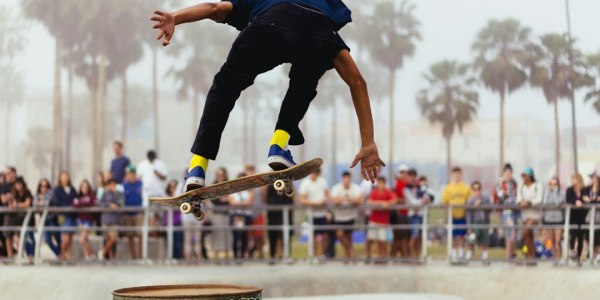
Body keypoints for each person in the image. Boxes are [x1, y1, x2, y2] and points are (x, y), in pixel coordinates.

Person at [150, 0, 384, 194]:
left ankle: (197, 169)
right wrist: (368, 143)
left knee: (225, 87)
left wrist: (175, 17)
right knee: (305, 80)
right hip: (319, 32)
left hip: (270, 22)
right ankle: (278, 146)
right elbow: (358, 83)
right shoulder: (322, 13)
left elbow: (215, 9)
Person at [441, 167, 472, 262]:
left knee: (462, 235)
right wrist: (447, 213)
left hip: (462, 215)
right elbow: (444, 201)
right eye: (455, 173)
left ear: (461, 174)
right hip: (452, 216)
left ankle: (461, 253)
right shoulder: (448, 187)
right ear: (452, 175)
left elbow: (469, 201)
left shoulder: (466, 187)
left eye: (458, 173)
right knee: (453, 235)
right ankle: (454, 254)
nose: (457, 175)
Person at [331, 171, 362, 259]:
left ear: (350, 179)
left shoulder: (356, 187)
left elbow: (359, 200)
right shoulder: (336, 188)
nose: (347, 180)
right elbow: (335, 201)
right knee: (340, 235)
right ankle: (351, 252)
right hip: (339, 217)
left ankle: (348, 256)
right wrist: (349, 199)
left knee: (349, 237)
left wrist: (346, 199)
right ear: (342, 179)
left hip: (351, 216)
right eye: (345, 178)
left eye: (348, 178)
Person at [299, 169, 330, 259]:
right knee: (313, 236)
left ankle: (323, 255)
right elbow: (302, 199)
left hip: (322, 213)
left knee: (325, 236)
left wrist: (325, 201)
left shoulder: (323, 181)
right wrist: (316, 203)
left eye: (316, 172)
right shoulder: (305, 183)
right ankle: (314, 255)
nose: (313, 174)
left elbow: (327, 194)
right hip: (311, 214)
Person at [137, 150, 168, 234]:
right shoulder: (142, 164)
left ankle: (156, 233)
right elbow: (138, 178)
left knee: (158, 215)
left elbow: (165, 177)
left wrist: (157, 173)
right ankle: (150, 233)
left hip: (158, 193)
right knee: (148, 214)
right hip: (146, 194)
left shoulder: (160, 163)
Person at [517, 166, 544, 262]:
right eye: (522, 176)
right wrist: (521, 202)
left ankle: (532, 255)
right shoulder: (521, 186)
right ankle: (531, 256)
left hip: (535, 214)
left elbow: (539, 199)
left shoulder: (538, 185)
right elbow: (518, 198)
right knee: (528, 236)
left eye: (525, 175)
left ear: (530, 176)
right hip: (525, 214)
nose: (524, 178)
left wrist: (528, 202)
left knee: (525, 231)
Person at [50, 171, 78, 260]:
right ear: (60, 178)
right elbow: (58, 202)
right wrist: (69, 204)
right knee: (65, 239)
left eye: (66, 176)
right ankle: (62, 255)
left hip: (72, 216)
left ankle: (69, 257)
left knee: (70, 239)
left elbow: (76, 201)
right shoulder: (57, 190)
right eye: (63, 176)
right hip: (63, 217)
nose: (65, 178)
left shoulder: (72, 189)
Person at [405, 172, 434, 259]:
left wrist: (425, 200)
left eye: (414, 177)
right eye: (411, 177)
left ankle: (418, 256)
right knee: (414, 236)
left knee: (420, 237)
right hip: (413, 216)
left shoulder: (420, 188)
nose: (412, 179)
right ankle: (411, 257)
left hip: (421, 215)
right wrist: (423, 201)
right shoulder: (406, 189)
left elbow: (430, 199)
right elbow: (413, 202)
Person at [493, 163, 519, 259]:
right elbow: (501, 196)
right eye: (506, 172)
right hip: (506, 211)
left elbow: (516, 195)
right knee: (511, 232)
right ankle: (508, 255)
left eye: (510, 172)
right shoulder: (500, 183)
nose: (508, 174)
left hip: (515, 211)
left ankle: (512, 254)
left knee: (514, 233)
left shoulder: (514, 182)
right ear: (503, 173)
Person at [367, 177, 396, 262]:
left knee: (383, 240)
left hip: (384, 221)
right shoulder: (374, 192)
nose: (381, 185)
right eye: (380, 183)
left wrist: (387, 203)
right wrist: (381, 203)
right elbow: (370, 202)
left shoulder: (388, 192)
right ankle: (378, 256)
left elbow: (394, 200)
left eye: (383, 183)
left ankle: (384, 256)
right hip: (374, 220)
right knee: (376, 240)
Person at [3, 176, 33, 258]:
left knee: (20, 237)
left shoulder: (27, 192)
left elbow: (27, 204)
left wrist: (17, 205)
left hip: (21, 218)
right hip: (11, 217)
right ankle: (10, 256)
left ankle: (20, 255)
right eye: (16, 184)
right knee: (8, 236)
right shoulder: (12, 193)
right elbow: (9, 204)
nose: (18, 186)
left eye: (19, 184)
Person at [229, 172, 255, 260]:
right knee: (236, 237)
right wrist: (243, 204)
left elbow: (249, 202)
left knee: (244, 236)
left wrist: (239, 204)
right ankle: (236, 256)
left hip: (245, 216)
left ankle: (243, 255)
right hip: (235, 216)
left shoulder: (249, 190)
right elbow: (232, 203)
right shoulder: (233, 190)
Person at [465, 181, 492, 263]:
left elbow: (490, 209)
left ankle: (485, 257)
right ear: (472, 190)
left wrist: (482, 204)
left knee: (485, 239)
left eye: (478, 189)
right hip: (475, 222)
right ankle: (469, 255)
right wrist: (469, 226)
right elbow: (468, 214)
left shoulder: (486, 198)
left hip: (484, 222)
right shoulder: (470, 200)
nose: (477, 191)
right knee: (472, 238)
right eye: (475, 189)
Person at [265, 185, 294, 260]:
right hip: (273, 211)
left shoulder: (288, 182)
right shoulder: (270, 184)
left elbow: (292, 196)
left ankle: (287, 254)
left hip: (286, 211)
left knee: (286, 234)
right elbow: (266, 197)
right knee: (273, 234)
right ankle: (273, 255)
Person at [209, 167, 232, 260]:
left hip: (227, 214)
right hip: (217, 214)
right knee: (217, 236)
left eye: (222, 175)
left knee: (227, 236)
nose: (220, 177)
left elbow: (230, 200)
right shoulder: (213, 186)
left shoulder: (229, 185)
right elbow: (214, 201)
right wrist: (223, 199)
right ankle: (216, 256)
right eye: (218, 175)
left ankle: (227, 255)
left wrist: (224, 199)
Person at [98, 178, 124, 260]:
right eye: (110, 184)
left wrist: (116, 205)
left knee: (114, 238)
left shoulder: (119, 193)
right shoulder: (105, 193)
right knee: (108, 238)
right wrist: (109, 205)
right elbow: (100, 204)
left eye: (114, 184)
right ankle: (111, 257)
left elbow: (122, 203)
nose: (112, 186)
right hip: (106, 219)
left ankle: (102, 251)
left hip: (115, 220)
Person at [34, 179, 60, 257]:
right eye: (41, 186)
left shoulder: (51, 193)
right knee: (47, 240)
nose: (44, 188)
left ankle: (61, 254)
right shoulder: (37, 195)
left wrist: (41, 202)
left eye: (45, 186)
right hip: (44, 221)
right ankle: (59, 254)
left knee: (57, 237)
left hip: (52, 219)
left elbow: (47, 202)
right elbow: (34, 205)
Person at [123, 166, 144, 259]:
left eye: (133, 173)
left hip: (138, 213)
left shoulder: (140, 184)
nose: (132, 175)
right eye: (130, 173)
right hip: (127, 213)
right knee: (130, 236)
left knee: (140, 234)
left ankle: (140, 255)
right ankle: (133, 256)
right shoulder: (124, 185)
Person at [73, 180, 96, 260]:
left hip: (88, 220)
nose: (84, 188)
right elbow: (75, 205)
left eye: (86, 187)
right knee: (85, 239)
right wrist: (83, 202)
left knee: (82, 239)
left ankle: (92, 254)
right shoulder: (78, 196)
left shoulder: (91, 196)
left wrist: (81, 203)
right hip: (80, 220)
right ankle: (87, 256)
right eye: (83, 187)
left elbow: (92, 203)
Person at [542, 176, 564, 259]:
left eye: (555, 184)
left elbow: (558, 202)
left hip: (558, 219)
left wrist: (555, 191)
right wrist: (548, 191)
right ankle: (555, 258)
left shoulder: (561, 192)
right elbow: (545, 202)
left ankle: (559, 257)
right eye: (551, 184)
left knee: (558, 241)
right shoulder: (547, 192)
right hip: (549, 219)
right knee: (551, 241)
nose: (553, 185)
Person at [391, 164, 410, 258]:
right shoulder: (399, 183)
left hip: (406, 213)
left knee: (402, 236)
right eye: (402, 172)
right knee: (400, 237)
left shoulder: (405, 183)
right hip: (400, 214)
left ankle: (401, 255)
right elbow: (397, 199)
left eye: (405, 172)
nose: (404, 174)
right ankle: (401, 256)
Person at [165, 180, 184, 259]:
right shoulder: (166, 197)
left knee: (177, 242)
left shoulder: (181, 198)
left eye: (174, 187)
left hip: (177, 222)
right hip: (168, 223)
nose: (172, 189)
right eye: (171, 187)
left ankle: (178, 257)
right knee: (169, 242)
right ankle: (171, 257)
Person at [583, 172, 600, 261]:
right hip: (590, 217)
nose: (592, 179)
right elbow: (584, 199)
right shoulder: (587, 189)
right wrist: (593, 201)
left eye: (593, 177)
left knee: (598, 237)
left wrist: (590, 201)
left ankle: (597, 255)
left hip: (598, 217)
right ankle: (592, 256)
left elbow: (593, 201)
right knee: (589, 237)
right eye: (591, 177)